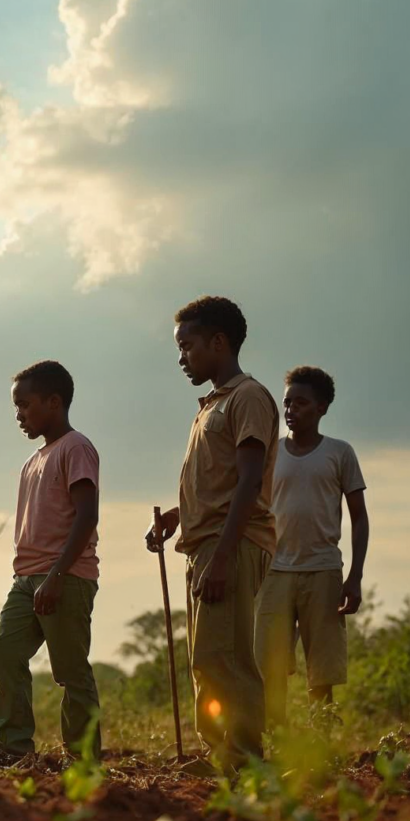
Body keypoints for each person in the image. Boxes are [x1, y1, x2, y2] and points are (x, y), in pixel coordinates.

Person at [145, 296, 277, 766]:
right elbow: (217, 481)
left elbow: (248, 480)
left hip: (231, 546)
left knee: (227, 657)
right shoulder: (210, 406)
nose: (182, 358)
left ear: (218, 343)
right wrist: (177, 518)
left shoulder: (248, 398)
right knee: (207, 656)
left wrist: (222, 556)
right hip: (207, 545)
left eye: (188, 346)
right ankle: (219, 750)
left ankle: (241, 756)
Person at [0, 360, 103, 765]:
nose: (19, 414)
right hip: (26, 578)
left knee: (70, 671)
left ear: (54, 403)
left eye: (25, 404)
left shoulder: (76, 448)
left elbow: (87, 515)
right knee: (5, 652)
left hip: (65, 576)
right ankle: (14, 747)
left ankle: (83, 758)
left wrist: (57, 575)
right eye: (16, 406)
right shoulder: (33, 460)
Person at [256, 366, 368, 730]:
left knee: (322, 671)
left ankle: (321, 748)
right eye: (287, 402)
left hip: (323, 570)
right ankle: (273, 744)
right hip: (273, 572)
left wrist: (354, 578)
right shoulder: (268, 453)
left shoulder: (340, 453)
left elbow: (359, 518)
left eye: (301, 403)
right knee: (270, 667)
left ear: (322, 408)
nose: (291, 410)